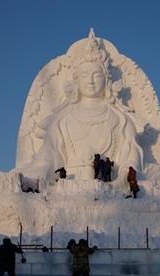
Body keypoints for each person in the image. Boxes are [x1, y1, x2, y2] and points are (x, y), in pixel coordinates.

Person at [20, 33, 143, 183]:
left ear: (107, 80)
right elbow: (48, 154)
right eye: (84, 75)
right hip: (68, 185)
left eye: (97, 75)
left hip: (108, 186)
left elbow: (131, 156)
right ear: (76, 80)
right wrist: (38, 172)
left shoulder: (121, 120)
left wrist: (125, 176)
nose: (91, 81)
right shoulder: (61, 120)